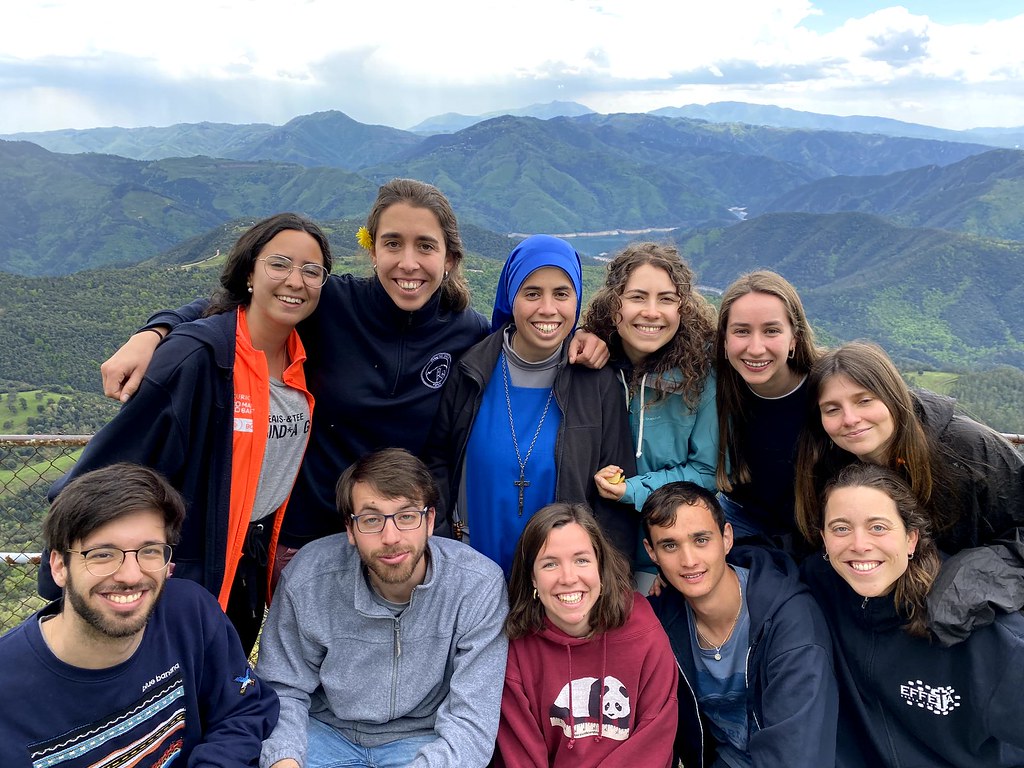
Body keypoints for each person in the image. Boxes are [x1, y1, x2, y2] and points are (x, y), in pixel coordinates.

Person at [99, 180, 607, 566]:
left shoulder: (467, 336)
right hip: (307, 536)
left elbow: (529, 332)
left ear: (450, 259)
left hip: (405, 543)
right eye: (393, 244)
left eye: (425, 247)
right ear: (372, 249)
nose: (408, 262)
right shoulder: (329, 305)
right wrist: (156, 332)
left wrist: (584, 337)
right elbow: (235, 303)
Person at [42, 213, 329, 653]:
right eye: (279, 264)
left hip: (247, 563)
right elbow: (108, 468)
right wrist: (68, 576)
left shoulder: (305, 353)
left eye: (311, 271)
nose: (296, 280)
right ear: (249, 271)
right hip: (184, 566)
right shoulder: (196, 358)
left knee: (216, 688)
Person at [0, 463, 279, 767]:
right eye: (103, 554)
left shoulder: (189, 614)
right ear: (58, 566)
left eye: (149, 551)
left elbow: (243, 708)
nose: (131, 575)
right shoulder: (9, 692)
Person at [256, 448, 509, 768]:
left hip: (424, 740)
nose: (390, 537)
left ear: (430, 521)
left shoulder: (476, 586)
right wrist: (284, 759)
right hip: (323, 733)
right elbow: (282, 689)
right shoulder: (309, 578)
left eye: (406, 516)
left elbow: (471, 720)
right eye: (372, 519)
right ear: (350, 529)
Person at [424, 234, 635, 575]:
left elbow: (615, 490)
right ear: (511, 296)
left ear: (577, 299)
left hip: (561, 581)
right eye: (532, 293)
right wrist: (442, 543)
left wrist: (609, 578)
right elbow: (438, 463)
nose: (548, 308)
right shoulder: (471, 371)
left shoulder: (597, 383)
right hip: (469, 570)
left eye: (562, 294)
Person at [795, 340, 1024, 643]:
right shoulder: (830, 462)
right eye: (832, 409)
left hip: (972, 610)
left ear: (893, 397)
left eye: (864, 401)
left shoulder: (965, 447)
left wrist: (965, 580)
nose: (850, 419)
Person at [803, 462, 1024, 767]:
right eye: (841, 528)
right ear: (824, 539)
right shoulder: (817, 588)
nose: (859, 544)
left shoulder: (982, 629)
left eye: (878, 527)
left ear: (911, 538)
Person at [643, 481, 838, 768]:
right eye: (670, 545)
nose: (688, 560)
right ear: (652, 553)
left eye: (701, 540)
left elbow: (800, 753)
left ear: (726, 538)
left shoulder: (788, 618)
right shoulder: (660, 620)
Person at [494, 502, 678, 767]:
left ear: (600, 567)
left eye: (581, 560)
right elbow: (520, 755)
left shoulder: (643, 631)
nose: (568, 577)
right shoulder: (517, 649)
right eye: (550, 564)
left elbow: (654, 738)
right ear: (532, 578)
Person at [585, 241, 718, 590]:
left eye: (666, 299)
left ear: (682, 308)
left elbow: (708, 471)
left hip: (670, 557)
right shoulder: (591, 361)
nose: (652, 311)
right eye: (637, 297)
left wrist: (631, 489)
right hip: (596, 550)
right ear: (614, 303)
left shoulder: (703, 375)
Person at [714, 270, 822, 553]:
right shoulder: (715, 387)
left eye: (772, 330)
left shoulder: (829, 389)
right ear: (724, 340)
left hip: (819, 525)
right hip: (742, 518)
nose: (756, 348)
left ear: (794, 339)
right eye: (741, 331)